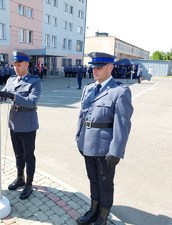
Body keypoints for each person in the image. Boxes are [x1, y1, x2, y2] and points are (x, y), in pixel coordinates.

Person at [75, 52, 133, 225]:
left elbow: (122, 124)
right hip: (88, 143)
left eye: (99, 67)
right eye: (93, 67)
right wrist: (79, 137)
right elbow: (81, 116)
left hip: (105, 148)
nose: (95, 71)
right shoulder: (88, 88)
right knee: (93, 180)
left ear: (110, 67)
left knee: (105, 183)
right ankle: (93, 210)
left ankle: (103, 215)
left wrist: (116, 151)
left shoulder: (119, 91)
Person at [0, 51, 42, 200]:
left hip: (28, 124)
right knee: (18, 154)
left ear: (26, 64)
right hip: (14, 122)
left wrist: (14, 96)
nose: (16, 68)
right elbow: (3, 97)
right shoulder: (11, 80)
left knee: (28, 155)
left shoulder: (34, 81)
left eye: (19, 65)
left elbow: (32, 102)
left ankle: (29, 183)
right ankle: (20, 178)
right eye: (14, 65)